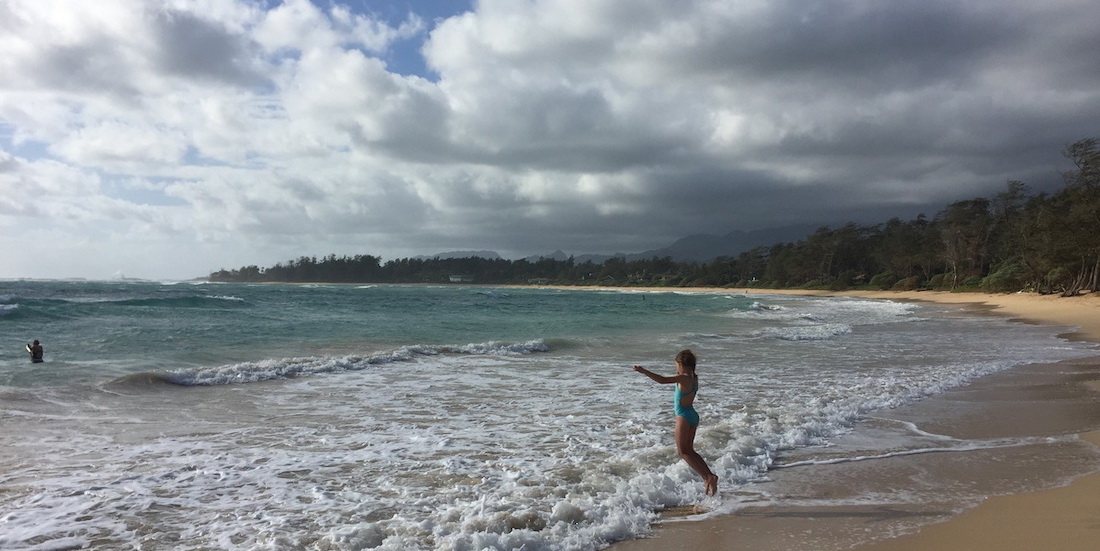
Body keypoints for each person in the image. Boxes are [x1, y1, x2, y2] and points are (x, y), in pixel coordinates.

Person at [633, 349, 719, 496]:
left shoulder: (684, 378)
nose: (676, 368)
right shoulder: (693, 377)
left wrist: (643, 371)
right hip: (692, 414)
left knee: (683, 452)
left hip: (684, 416)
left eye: (676, 365)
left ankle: (707, 477)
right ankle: (709, 476)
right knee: (690, 451)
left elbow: (662, 380)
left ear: (681, 364)